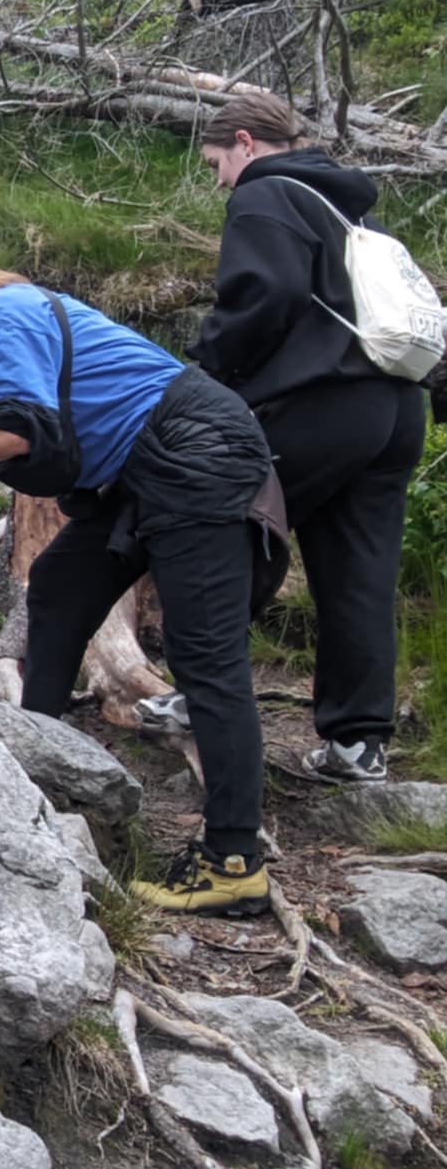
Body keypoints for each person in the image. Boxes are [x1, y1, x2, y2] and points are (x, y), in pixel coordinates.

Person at [0, 238, 283, 918]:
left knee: (205, 655)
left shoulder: (8, 312)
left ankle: (233, 864)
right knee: (56, 589)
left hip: (197, 452)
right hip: (139, 473)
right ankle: (34, 774)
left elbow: (17, 432)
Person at [175, 92, 428, 784]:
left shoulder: (263, 195)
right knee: (359, 572)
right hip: (397, 409)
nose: (219, 180)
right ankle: (357, 744)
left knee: (224, 533)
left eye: (217, 164)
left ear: (246, 143)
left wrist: (208, 370)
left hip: (323, 406)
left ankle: (201, 695)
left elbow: (267, 295)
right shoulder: (354, 209)